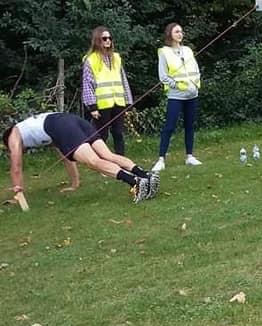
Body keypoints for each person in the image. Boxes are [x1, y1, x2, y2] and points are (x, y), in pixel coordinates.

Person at [2, 112, 159, 203]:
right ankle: (146, 177)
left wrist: (18, 193)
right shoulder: (36, 129)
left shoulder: (13, 136)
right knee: (107, 155)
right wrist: (75, 184)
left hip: (62, 126)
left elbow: (16, 167)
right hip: (71, 120)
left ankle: (135, 182)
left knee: (93, 161)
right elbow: (66, 156)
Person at [152, 22, 202, 172]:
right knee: (169, 126)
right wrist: (177, 85)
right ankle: (161, 159)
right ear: (170, 34)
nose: (180, 34)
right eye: (176, 32)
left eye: (181, 31)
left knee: (190, 125)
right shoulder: (164, 52)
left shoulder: (187, 50)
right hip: (176, 96)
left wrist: (196, 84)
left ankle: (189, 156)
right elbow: (163, 76)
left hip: (192, 94)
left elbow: (196, 69)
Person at [81, 26, 133, 155]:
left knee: (118, 133)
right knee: (101, 135)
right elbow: (87, 84)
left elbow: (123, 80)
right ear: (97, 40)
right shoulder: (90, 59)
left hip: (118, 102)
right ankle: (100, 160)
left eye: (110, 38)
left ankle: (121, 160)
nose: (108, 40)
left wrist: (128, 102)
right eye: (104, 38)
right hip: (101, 104)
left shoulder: (116, 58)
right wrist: (92, 107)